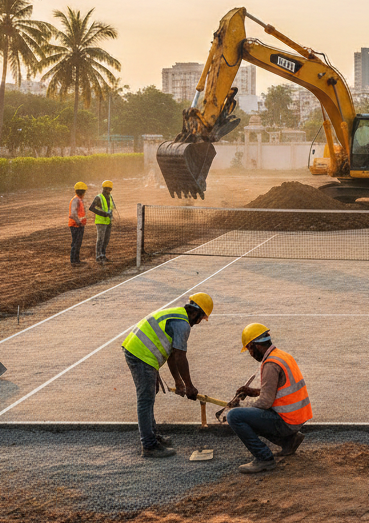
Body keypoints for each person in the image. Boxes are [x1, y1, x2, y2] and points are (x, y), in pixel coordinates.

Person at [121, 292, 213, 458]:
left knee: (148, 397)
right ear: (195, 313)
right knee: (145, 399)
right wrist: (189, 386)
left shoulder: (177, 314)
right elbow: (180, 356)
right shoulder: (183, 324)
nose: (199, 322)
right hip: (140, 353)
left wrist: (179, 382)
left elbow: (171, 354)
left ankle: (152, 436)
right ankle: (149, 445)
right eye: (201, 318)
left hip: (139, 351)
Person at [224, 322, 312, 474]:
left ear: (254, 345)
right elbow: (279, 390)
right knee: (251, 415)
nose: (250, 355)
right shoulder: (281, 355)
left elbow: (265, 403)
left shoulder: (271, 364)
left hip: (287, 421)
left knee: (235, 416)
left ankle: (264, 458)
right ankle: (289, 441)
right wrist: (253, 392)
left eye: (249, 350)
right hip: (297, 417)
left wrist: (241, 408)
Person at [89, 179, 115, 263]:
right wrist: (103, 214)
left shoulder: (110, 197)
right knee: (100, 239)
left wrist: (111, 215)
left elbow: (111, 208)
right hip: (100, 222)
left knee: (106, 239)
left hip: (108, 221)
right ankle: (98, 256)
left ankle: (103, 255)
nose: (108, 191)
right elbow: (91, 208)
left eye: (110, 189)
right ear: (103, 188)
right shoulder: (98, 197)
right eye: (107, 189)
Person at [69, 182, 88, 266]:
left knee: (77, 243)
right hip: (76, 225)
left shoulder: (78, 199)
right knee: (76, 243)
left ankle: (76, 259)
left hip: (77, 225)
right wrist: (79, 222)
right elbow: (73, 214)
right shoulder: (76, 200)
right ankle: (74, 260)